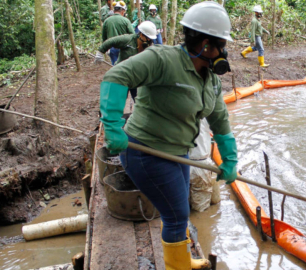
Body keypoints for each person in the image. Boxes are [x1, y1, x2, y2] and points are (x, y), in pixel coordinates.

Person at [98, 2, 237, 269]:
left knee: (178, 209)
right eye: (222, 44)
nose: (225, 51)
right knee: (176, 214)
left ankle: (182, 258)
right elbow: (116, 75)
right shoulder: (162, 59)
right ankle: (177, 266)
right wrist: (113, 125)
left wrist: (229, 159)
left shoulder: (211, 79)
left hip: (178, 152)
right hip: (145, 151)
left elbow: (219, 119)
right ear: (206, 44)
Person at [96, 21, 157, 102]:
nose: (149, 40)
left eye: (150, 39)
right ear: (141, 34)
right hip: (122, 75)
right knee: (118, 99)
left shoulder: (148, 46)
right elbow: (111, 41)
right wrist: (100, 52)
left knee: (139, 99)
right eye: (148, 38)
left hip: (136, 77)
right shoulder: (128, 40)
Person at [102, 1, 135, 65]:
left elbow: (104, 37)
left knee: (115, 67)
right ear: (122, 11)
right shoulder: (126, 20)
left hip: (112, 48)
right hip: (124, 48)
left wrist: (105, 48)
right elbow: (132, 35)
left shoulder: (107, 21)